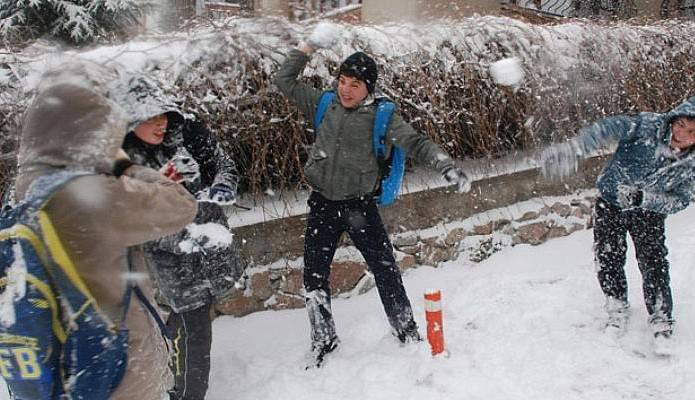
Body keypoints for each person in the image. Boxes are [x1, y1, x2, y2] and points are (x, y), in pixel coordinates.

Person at [273, 23, 472, 367]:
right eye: (343, 82)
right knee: (315, 276)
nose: (347, 90)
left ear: (369, 88)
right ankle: (324, 339)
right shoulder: (324, 104)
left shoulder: (382, 116)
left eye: (356, 84)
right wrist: (308, 47)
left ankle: (405, 329)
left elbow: (416, 142)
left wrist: (445, 165)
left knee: (385, 269)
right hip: (322, 203)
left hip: (360, 206)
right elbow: (284, 80)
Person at [13, 61, 198, 399]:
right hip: (115, 364)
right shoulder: (93, 194)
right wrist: (122, 165)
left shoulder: (26, 189)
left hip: (58, 358)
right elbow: (181, 204)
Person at [541, 93, 695, 353]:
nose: (681, 133)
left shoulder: (694, 164)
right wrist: (578, 147)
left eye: (691, 131)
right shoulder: (648, 126)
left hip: (648, 212)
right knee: (608, 257)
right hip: (611, 201)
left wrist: (644, 199)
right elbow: (610, 127)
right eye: (680, 124)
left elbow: (680, 201)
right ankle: (616, 307)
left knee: (654, 263)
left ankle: (661, 320)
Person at [119, 75, 245, 400]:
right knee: (195, 326)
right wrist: (187, 238)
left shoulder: (185, 132)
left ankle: (172, 373)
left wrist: (221, 186)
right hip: (174, 261)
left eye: (162, 115)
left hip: (213, 247)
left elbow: (224, 164)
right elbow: (136, 222)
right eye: (150, 117)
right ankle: (187, 393)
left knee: (188, 320)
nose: (160, 124)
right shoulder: (123, 162)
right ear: (131, 119)